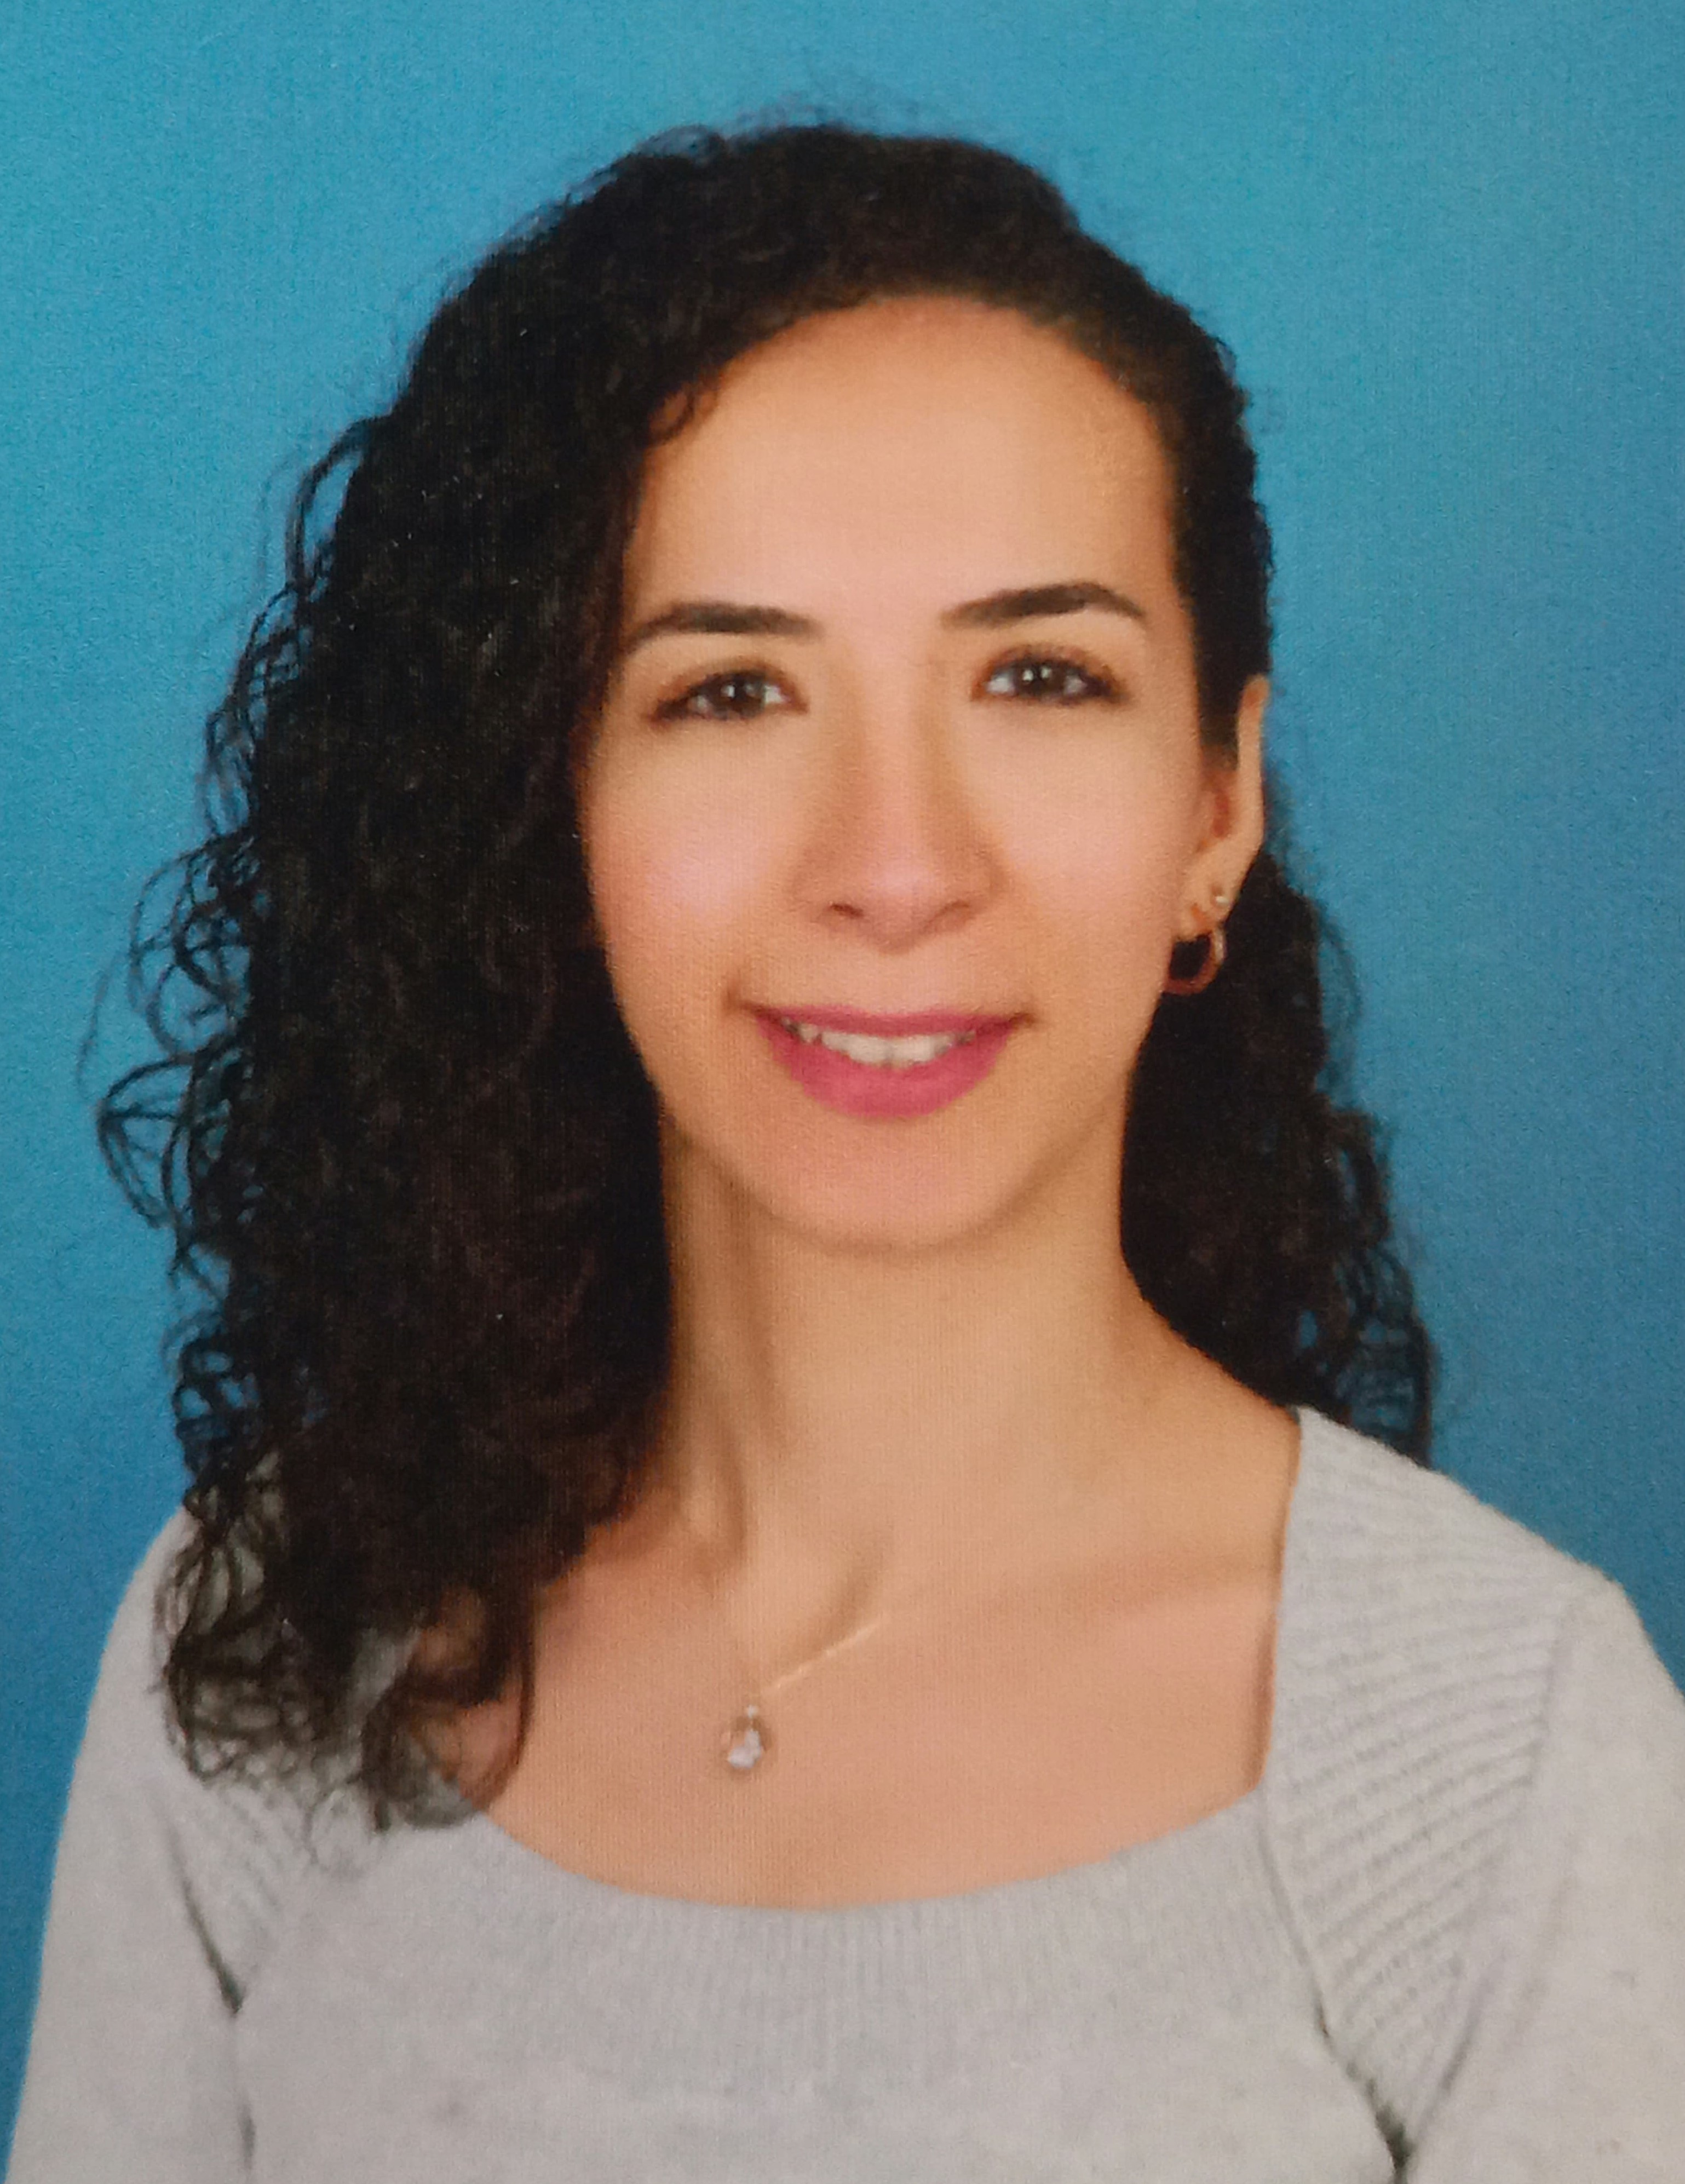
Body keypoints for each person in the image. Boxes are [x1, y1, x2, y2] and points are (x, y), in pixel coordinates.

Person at [9, 122, 1683, 2182]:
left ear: (1218, 808)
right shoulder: (270, 1629)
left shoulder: (1508, 1747)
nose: (895, 867)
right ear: (551, 811)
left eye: (1040, 676)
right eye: (730, 691)